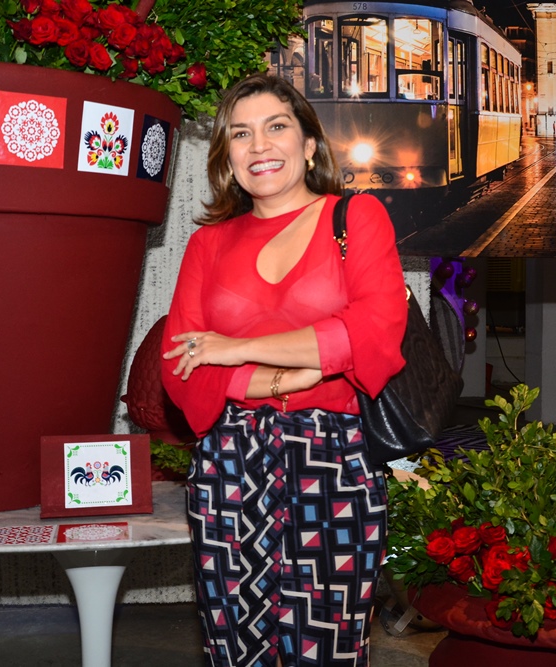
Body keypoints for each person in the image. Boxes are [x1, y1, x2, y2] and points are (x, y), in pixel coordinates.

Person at [160, 73, 407, 666]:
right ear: (228, 157)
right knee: (234, 644)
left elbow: (373, 332)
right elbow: (180, 369)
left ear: (309, 144)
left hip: (335, 460)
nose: (260, 146)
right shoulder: (208, 245)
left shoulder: (356, 217)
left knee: (327, 645)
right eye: (241, 134)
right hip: (229, 463)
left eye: (276, 127)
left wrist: (234, 349)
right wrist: (277, 378)